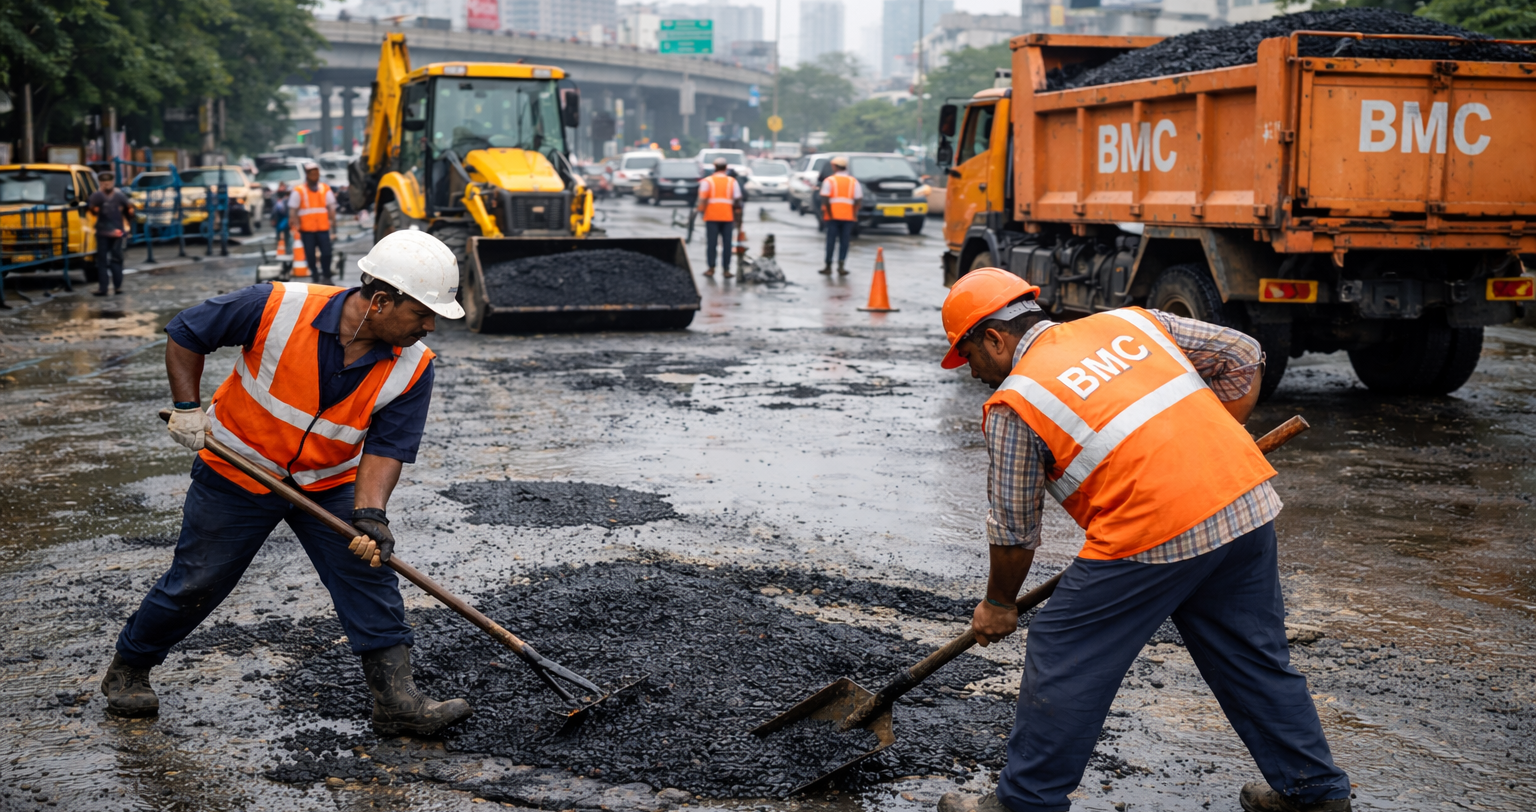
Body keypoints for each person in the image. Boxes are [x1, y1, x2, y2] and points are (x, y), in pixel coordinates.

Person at [935, 268, 1352, 812]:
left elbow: (1015, 531)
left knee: (1064, 650)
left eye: (968, 355)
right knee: (1251, 655)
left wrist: (997, 604)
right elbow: (1243, 354)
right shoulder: (1133, 324)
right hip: (1242, 502)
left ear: (994, 338)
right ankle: (1314, 793)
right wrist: (1206, 448)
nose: (972, 372)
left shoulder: (1016, 403)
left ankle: (1027, 804)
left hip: (1151, 530)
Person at [101, 230, 475, 737]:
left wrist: (370, 515)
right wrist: (187, 408)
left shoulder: (414, 366)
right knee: (198, 581)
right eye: (423, 313)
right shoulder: (277, 305)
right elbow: (188, 330)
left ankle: (396, 702)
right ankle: (129, 669)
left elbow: (387, 447)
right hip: (238, 470)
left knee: (367, 573)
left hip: (327, 480)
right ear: (382, 301)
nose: (429, 327)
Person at [289, 161, 338, 284]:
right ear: (307, 175)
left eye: (316, 174)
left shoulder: (325, 189)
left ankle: (326, 275)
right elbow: (293, 210)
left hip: (323, 228)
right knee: (310, 255)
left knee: (327, 253)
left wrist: (333, 225)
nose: (315, 176)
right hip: (307, 230)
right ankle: (314, 275)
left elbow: (331, 207)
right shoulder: (299, 190)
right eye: (312, 174)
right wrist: (295, 225)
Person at [88, 172, 134, 296]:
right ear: (100, 183)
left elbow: (129, 210)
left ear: (112, 182)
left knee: (112, 260)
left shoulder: (115, 196)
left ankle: (111, 287)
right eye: (104, 183)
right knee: (108, 260)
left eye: (108, 182)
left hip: (113, 233)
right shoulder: (99, 196)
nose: (106, 184)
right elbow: (130, 210)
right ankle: (109, 288)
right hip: (104, 232)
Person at [696, 157, 742, 278]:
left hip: (711, 217)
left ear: (714, 167)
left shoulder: (707, 181)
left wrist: (700, 211)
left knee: (712, 244)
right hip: (727, 217)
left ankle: (711, 268)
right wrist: (737, 215)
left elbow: (702, 199)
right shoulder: (732, 181)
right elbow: (737, 198)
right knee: (727, 244)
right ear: (726, 168)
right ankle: (726, 270)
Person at [818, 156, 861, 276]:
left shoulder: (829, 181)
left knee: (830, 241)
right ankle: (841, 266)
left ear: (835, 167)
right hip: (848, 217)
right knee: (844, 242)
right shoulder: (853, 181)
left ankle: (828, 266)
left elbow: (825, 199)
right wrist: (854, 213)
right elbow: (858, 199)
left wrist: (827, 214)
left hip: (832, 217)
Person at [271, 180, 291, 251]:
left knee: (287, 233)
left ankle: (287, 249)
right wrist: (273, 218)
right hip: (278, 217)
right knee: (278, 233)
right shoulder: (275, 196)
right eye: (281, 187)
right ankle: (279, 248)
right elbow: (274, 209)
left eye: (283, 187)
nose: (282, 189)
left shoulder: (287, 196)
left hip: (286, 217)